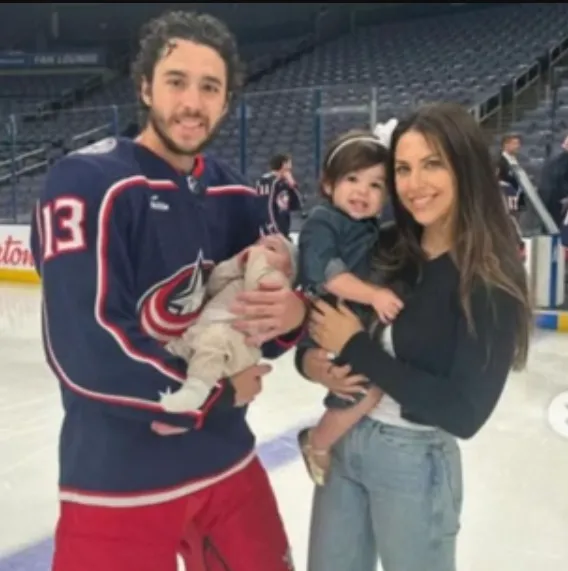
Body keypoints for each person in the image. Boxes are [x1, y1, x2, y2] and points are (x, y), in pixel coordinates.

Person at [29, 10, 307, 571]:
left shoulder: (236, 193)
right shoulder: (88, 182)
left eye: (210, 88)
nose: (192, 102)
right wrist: (214, 396)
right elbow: (86, 347)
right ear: (144, 87)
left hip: (225, 464)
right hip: (119, 478)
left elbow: (260, 330)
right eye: (177, 81)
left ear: (226, 102)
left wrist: (291, 315)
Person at [296, 102, 532, 571]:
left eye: (432, 164)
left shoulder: (489, 276)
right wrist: (310, 362)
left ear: (463, 166)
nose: (414, 183)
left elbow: (463, 413)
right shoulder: (384, 244)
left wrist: (356, 348)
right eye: (403, 169)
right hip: (344, 444)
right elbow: (323, 315)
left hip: (413, 461)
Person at [295, 129, 405, 486]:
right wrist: (374, 295)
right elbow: (327, 273)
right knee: (363, 389)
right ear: (329, 184)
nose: (362, 191)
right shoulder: (323, 221)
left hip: (351, 326)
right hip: (329, 322)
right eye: (352, 179)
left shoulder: (371, 228)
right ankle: (317, 442)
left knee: (366, 386)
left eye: (375, 185)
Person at [164, 234, 297, 411]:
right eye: (258, 245)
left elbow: (258, 285)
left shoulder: (278, 285)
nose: (258, 249)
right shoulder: (239, 277)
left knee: (213, 346)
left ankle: (197, 391)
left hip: (235, 339)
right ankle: (169, 399)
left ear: (290, 270)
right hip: (204, 328)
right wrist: (236, 264)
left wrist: (259, 260)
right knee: (178, 348)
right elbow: (213, 285)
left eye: (271, 249)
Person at [255, 153, 303, 238]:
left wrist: (292, 185)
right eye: (290, 163)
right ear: (284, 164)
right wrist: (273, 229)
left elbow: (297, 204)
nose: (291, 166)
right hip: (271, 231)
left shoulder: (284, 182)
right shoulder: (269, 181)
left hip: (283, 229)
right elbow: (267, 206)